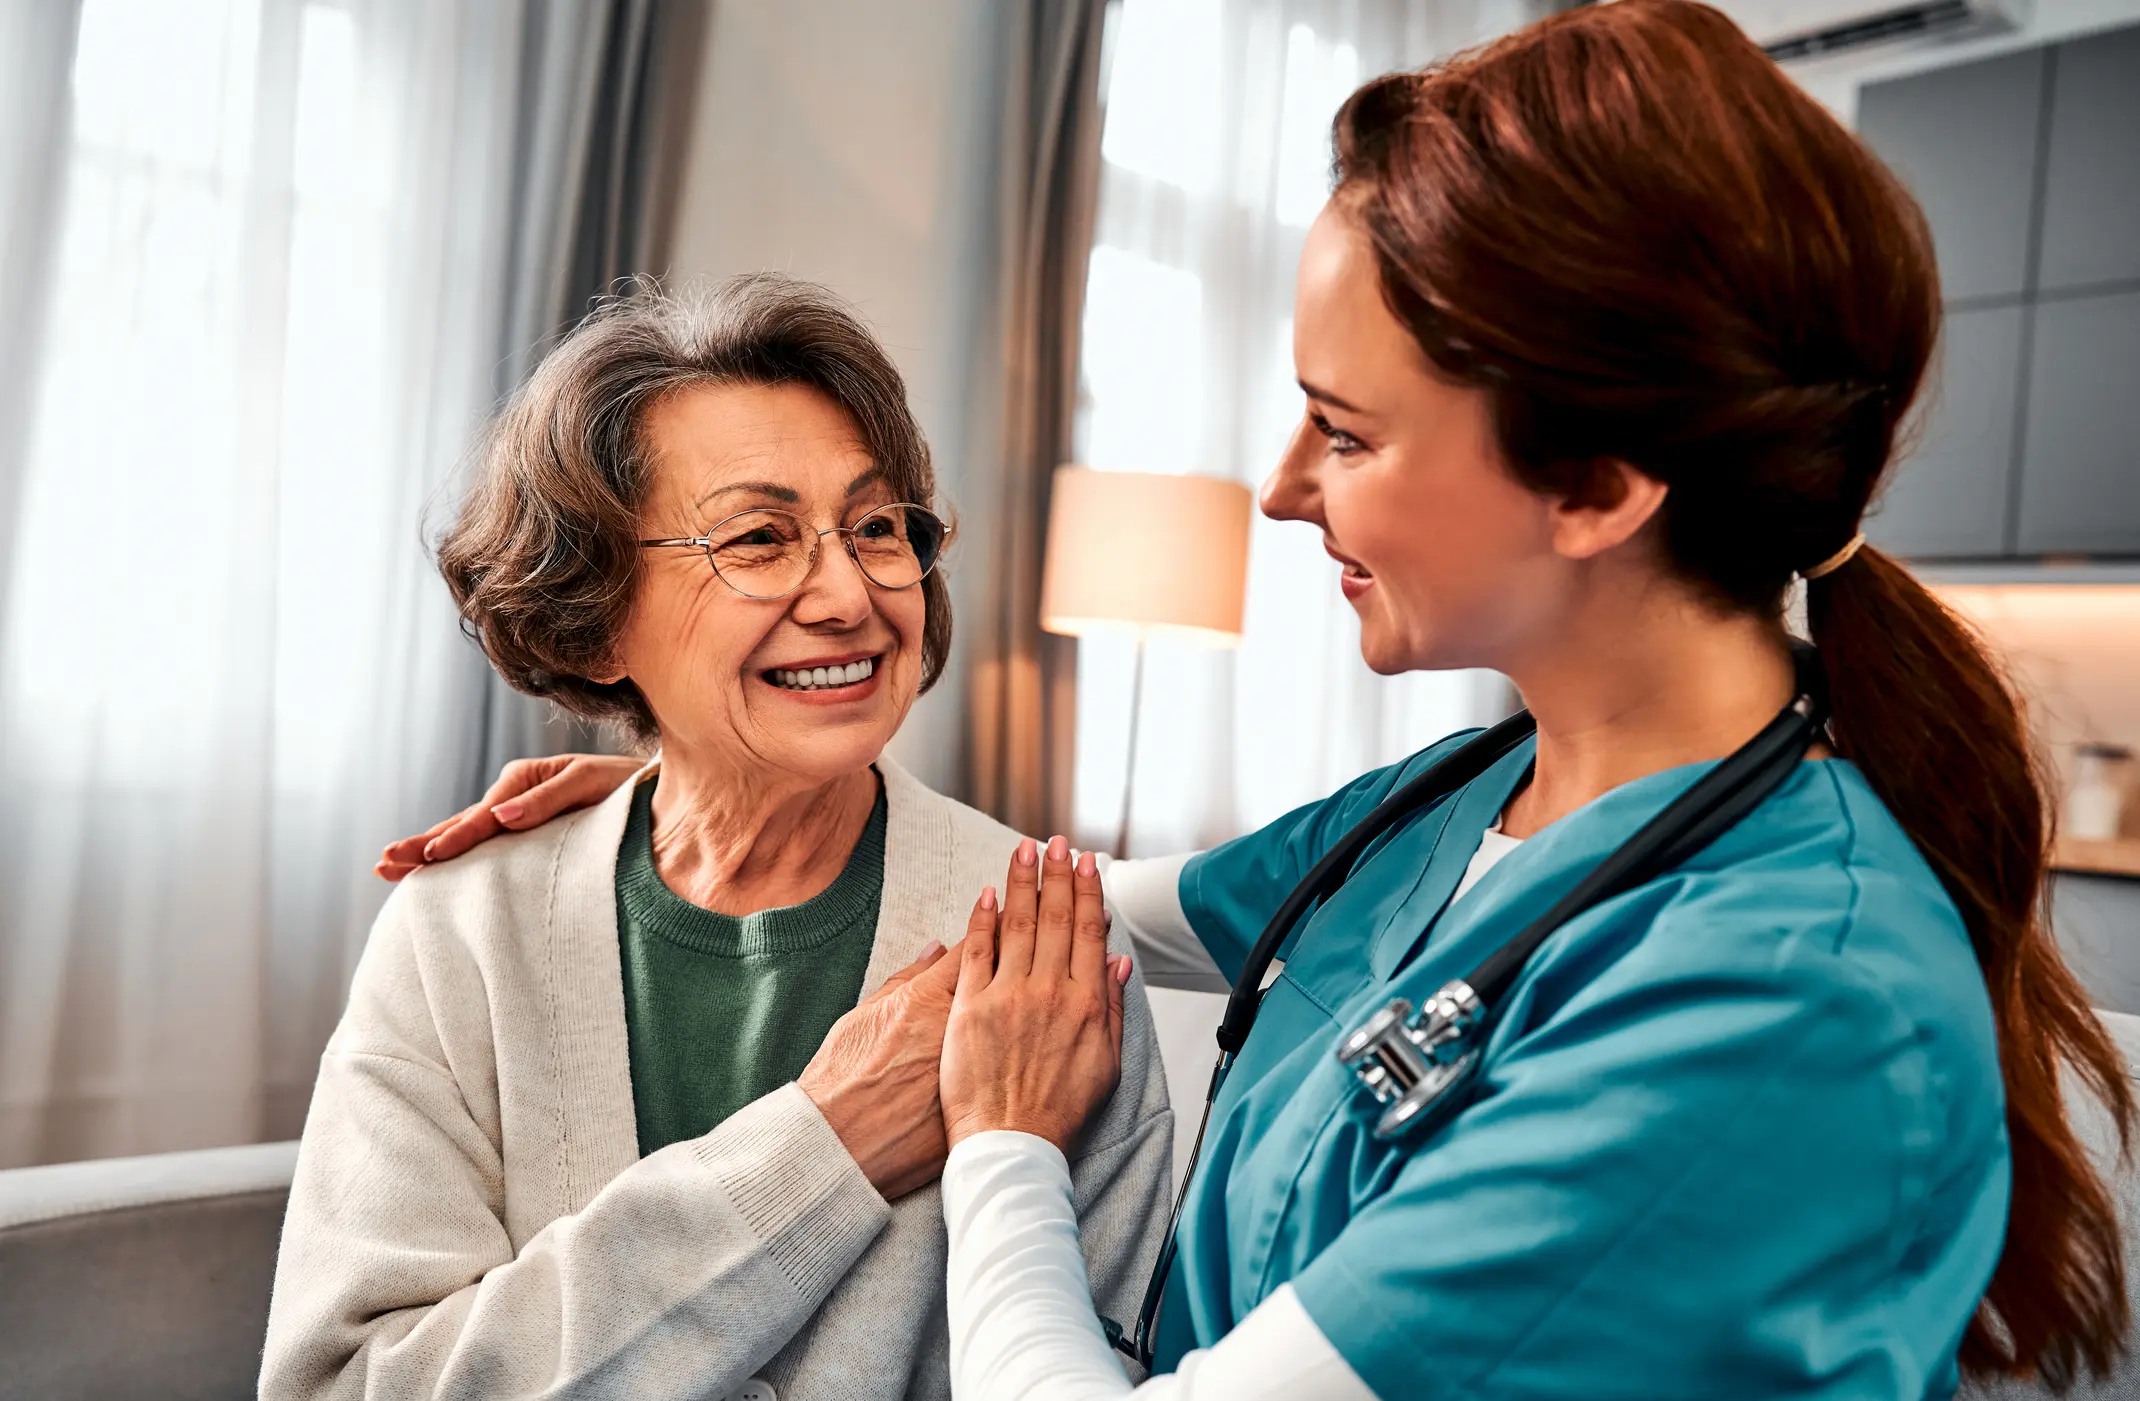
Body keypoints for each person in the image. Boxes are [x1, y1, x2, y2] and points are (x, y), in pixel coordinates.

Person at [389, 5, 2135, 1398]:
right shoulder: (1450, 812)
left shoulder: (1776, 1008)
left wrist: (997, 1141)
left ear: (1598, 483)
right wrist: (660, 781)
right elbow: (1071, 904)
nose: (1286, 488)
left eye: (1349, 430)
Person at [262, 275, 1174, 1401]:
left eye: (877, 527)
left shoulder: (1046, 953)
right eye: (759, 537)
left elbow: (1110, 1366)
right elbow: (348, 1386)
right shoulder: (462, 927)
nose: (848, 592)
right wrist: (819, 1150)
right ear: (595, 621)